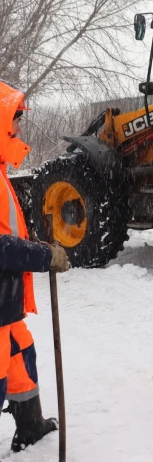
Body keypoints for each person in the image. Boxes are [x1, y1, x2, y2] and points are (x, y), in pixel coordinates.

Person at [0, 80, 70, 451]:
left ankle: (29, 426)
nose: (20, 130)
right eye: (14, 121)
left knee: (21, 354)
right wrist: (42, 256)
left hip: (4, 303)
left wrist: (35, 246)